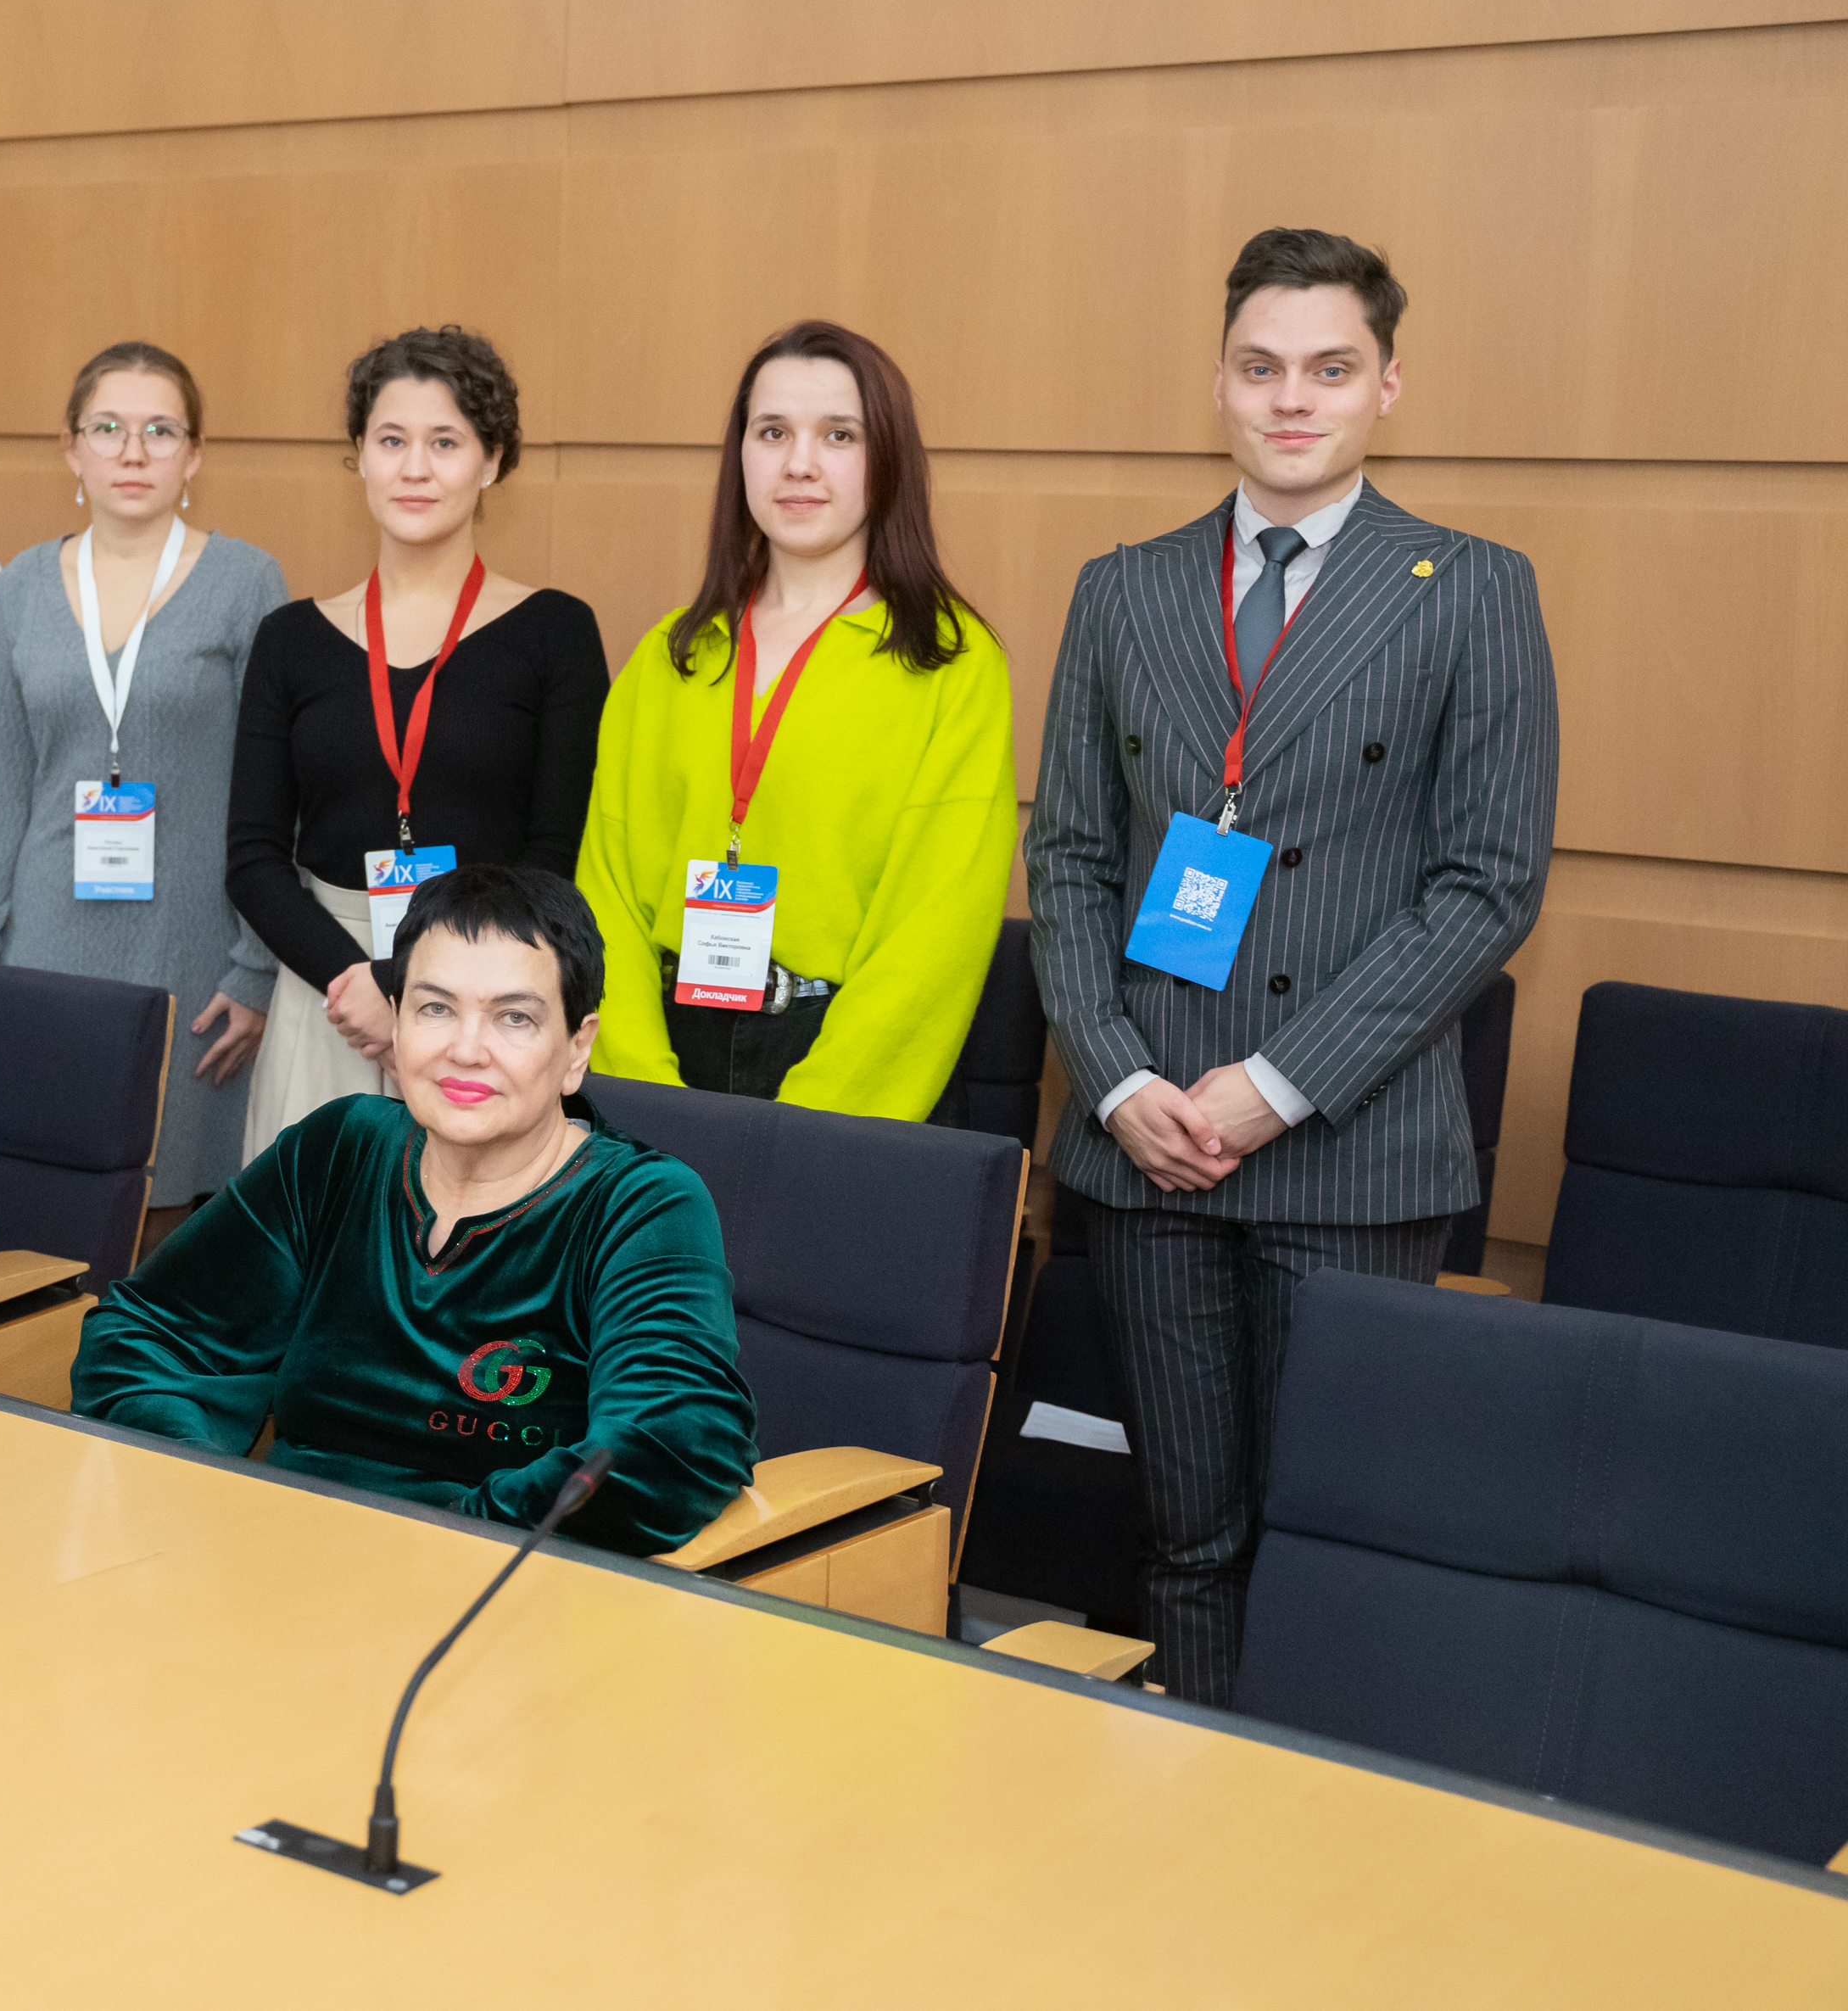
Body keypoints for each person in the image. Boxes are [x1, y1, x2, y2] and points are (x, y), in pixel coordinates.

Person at [1024, 227, 1559, 1707]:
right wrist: (1122, 1077)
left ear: (1389, 383)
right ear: (1220, 383)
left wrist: (1274, 1086)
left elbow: (1489, 885)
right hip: (1145, 1152)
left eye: (1330, 368)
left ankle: (1326, 1861)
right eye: (1261, 368)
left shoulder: (1472, 588)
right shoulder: (1124, 589)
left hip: (1353, 1147)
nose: (1292, 399)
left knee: (1338, 1532)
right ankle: (1197, 1820)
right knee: (1184, 1537)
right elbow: (1067, 854)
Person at [72, 864, 754, 1557]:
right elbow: (143, 1335)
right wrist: (211, 1486)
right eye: (435, 1008)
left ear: (577, 1048)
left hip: (495, 1597)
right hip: (273, 1558)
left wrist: (454, 1535)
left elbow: (666, 1444)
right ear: (395, 1025)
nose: (465, 1049)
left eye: (514, 1017)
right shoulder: (338, 1149)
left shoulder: (639, 1205)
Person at [578, 321, 1016, 1116]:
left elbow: (937, 930)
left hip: (853, 1071)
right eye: (772, 431)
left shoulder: (950, 661)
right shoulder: (671, 656)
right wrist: (643, 1094)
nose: (799, 463)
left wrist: (815, 1122)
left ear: (886, 460)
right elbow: (605, 892)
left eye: (838, 435)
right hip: (666, 1054)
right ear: (739, 454)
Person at [0, 344, 288, 1224]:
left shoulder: (247, 583)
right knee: (45, 1208)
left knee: (178, 1222)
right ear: (71, 450)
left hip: (197, 954)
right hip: (45, 950)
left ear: (194, 456)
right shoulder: (20, 586)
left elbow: (275, 791)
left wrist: (257, 970)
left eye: (160, 431)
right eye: (109, 429)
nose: (133, 452)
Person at [226, 324, 607, 1161]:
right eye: (390, 440)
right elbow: (252, 856)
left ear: (493, 461)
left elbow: (556, 846)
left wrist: (423, 991)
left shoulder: (556, 633)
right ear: (358, 456)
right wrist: (363, 984)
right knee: (315, 1263)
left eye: (446, 442)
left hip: (494, 996)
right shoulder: (291, 638)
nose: (414, 467)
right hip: (330, 995)